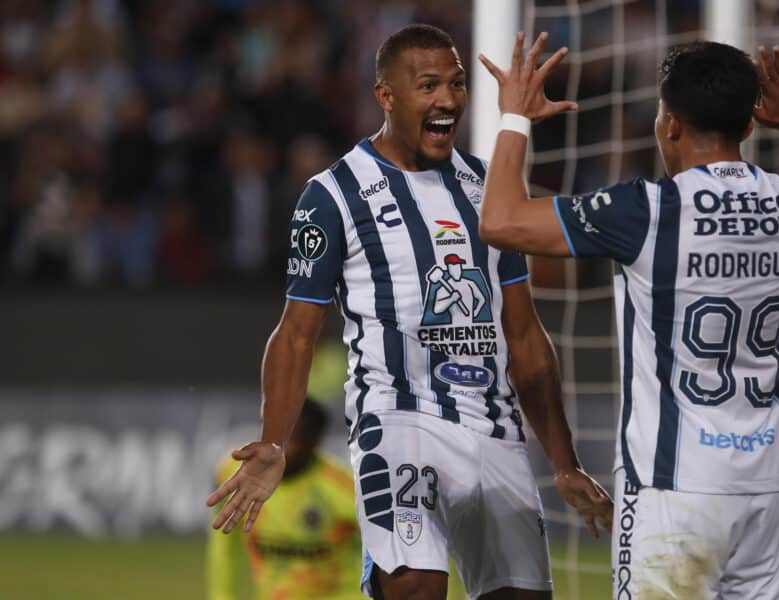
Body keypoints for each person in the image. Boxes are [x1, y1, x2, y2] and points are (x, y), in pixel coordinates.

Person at [206, 24, 612, 600]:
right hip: (397, 421)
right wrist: (274, 441)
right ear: (386, 96)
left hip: (494, 429)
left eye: (456, 83)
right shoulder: (334, 193)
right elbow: (295, 334)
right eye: (428, 85)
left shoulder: (486, 188)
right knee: (415, 588)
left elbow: (524, 336)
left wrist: (564, 462)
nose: (447, 99)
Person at [477, 34, 779, 598]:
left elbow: (499, 220)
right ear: (748, 126)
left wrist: (515, 118)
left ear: (669, 126)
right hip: (763, 491)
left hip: (673, 491)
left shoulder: (648, 210)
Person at [206, 398, 361, 600]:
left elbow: (384, 550)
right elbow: (224, 548)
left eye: (293, 440)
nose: (280, 449)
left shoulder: (343, 488)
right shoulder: (237, 476)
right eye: (275, 438)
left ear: (314, 442)